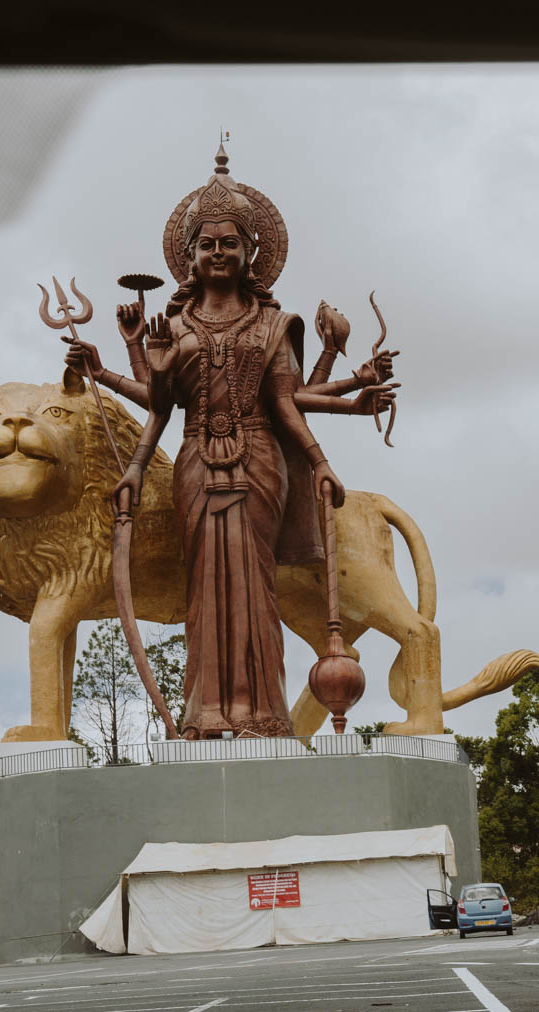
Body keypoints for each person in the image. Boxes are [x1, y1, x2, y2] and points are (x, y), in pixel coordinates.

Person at [66, 146, 393, 738]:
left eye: (229, 243)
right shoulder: (179, 326)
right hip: (194, 460)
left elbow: (288, 402)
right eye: (206, 244)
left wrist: (321, 460)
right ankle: (206, 714)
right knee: (206, 586)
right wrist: (123, 399)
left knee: (252, 582)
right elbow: (160, 404)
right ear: (188, 257)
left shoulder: (273, 325)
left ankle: (263, 714)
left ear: (250, 254)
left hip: (261, 459)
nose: (218, 252)